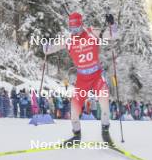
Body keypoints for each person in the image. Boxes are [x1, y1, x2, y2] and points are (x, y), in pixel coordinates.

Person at [43, 12, 114, 146]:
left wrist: (111, 25)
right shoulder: (69, 40)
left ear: (81, 25)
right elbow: (51, 49)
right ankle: (77, 135)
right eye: (71, 29)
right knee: (74, 111)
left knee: (104, 103)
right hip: (82, 78)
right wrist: (46, 47)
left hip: (96, 75)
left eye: (76, 28)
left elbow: (111, 35)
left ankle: (105, 132)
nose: (74, 32)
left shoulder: (92, 32)